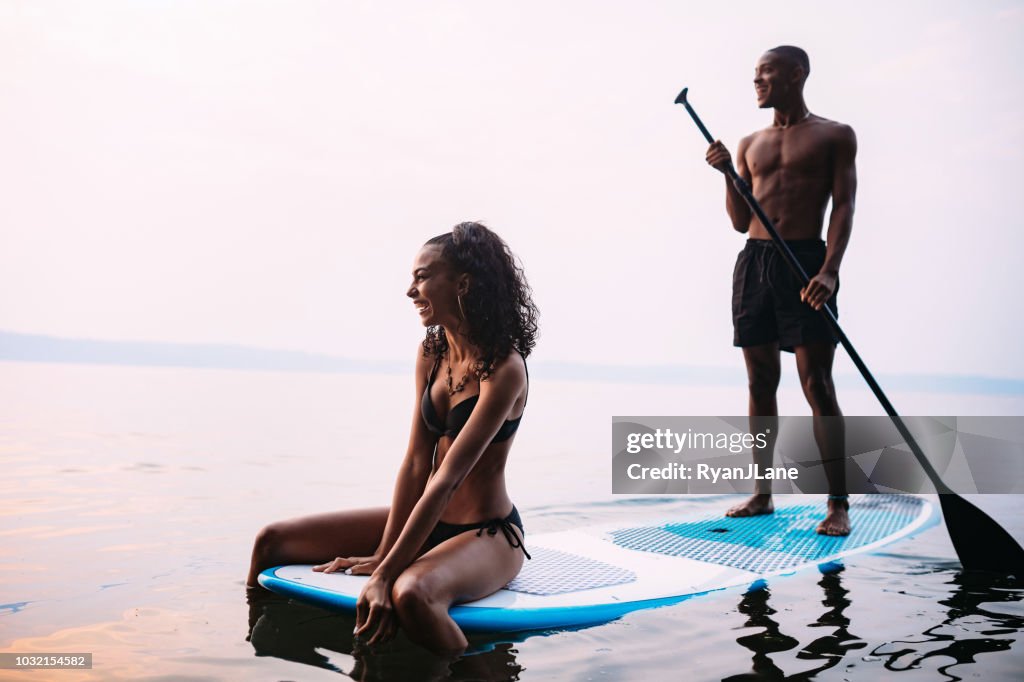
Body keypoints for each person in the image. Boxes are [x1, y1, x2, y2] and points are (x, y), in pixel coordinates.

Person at [246, 221, 539, 654]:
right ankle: (256, 645)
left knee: (411, 594)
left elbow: (446, 479)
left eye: (422, 276)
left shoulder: (504, 369)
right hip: (428, 518)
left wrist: (386, 575)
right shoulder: (432, 352)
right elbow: (417, 463)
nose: (410, 290)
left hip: (487, 534)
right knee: (271, 541)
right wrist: (385, 551)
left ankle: (477, 670)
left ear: (462, 283)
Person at [704, 46, 855, 535]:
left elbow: (844, 207)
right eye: (755, 76)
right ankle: (762, 494)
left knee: (817, 384)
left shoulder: (834, 135)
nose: (757, 82)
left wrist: (829, 271)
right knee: (759, 382)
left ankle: (838, 502)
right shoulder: (750, 143)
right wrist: (728, 174)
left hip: (807, 263)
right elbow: (738, 221)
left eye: (765, 74)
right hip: (755, 263)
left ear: (796, 74)